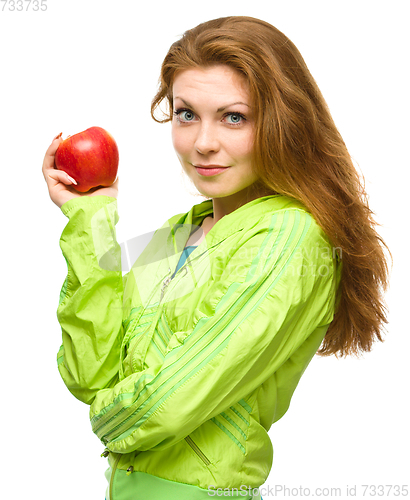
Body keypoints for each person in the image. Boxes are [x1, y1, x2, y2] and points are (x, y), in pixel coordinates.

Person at [42, 16, 391, 500]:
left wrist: (104, 418)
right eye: (187, 114)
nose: (203, 142)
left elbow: (168, 403)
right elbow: (90, 372)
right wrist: (89, 217)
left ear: (281, 121)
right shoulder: (178, 232)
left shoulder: (289, 236)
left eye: (233, 117)